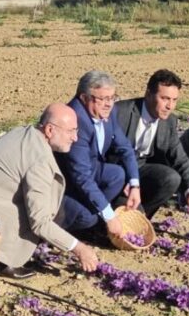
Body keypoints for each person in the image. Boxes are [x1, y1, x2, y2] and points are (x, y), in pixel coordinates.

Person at [0, 103, 100, 278]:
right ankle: (0, 261)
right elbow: (39, 222)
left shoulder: (23, 133)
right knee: (50, 214)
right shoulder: (39, 160)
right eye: (71, 131)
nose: (75, 138)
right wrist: (79, 248)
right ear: (49, 130)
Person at [56, 70, 142, 238]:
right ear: (84, 97)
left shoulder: (108, 112)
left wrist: (135, 185)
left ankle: (93, 211)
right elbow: (81, 176)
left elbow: (125, 148)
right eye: (102, 99)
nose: (108, 104)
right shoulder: (75, 121)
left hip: (90, 167)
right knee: (87, 217)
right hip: (66, 181)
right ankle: (61, 227)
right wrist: (109, 215)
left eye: (112, 98)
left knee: (117, 174)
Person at [115, 69, 189, 217]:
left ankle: (142, 217)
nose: (170, 106)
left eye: (174, 100)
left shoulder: (169, 121)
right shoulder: (121, 112)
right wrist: (126, 178)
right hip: (117, 171)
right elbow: (105, 153)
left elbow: (180, 158)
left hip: (141, 167)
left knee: (171, 178)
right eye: (165, 98)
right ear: (148, 94)